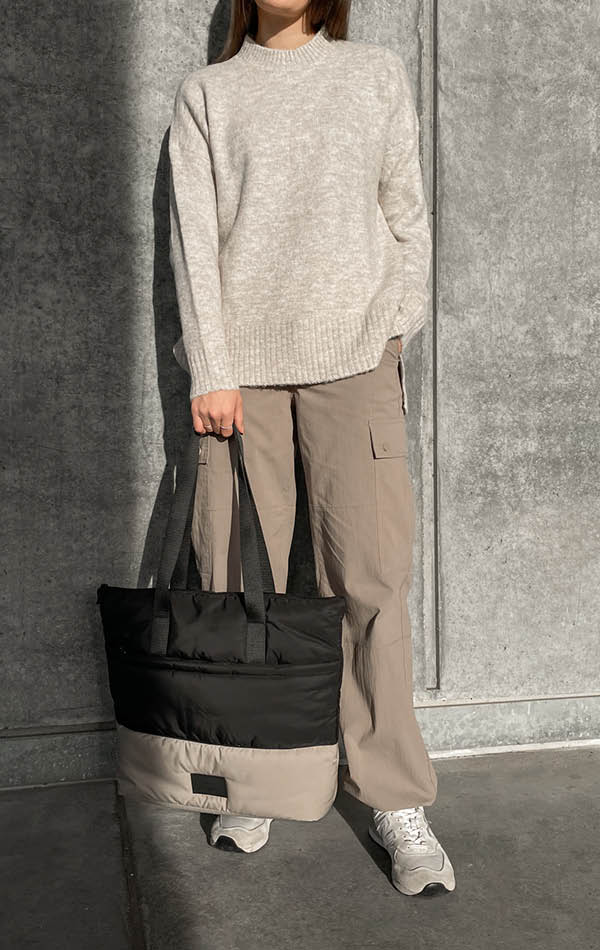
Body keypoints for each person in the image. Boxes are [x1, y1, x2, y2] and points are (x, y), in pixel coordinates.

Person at [168, 0, 455, 896]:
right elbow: (193, 243)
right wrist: (211, 368)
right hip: (239, 380)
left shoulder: (372, 75)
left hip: (356, 365)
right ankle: (255, 778)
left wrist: (393, 328)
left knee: (370, 581)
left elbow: (407, 214)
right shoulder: (208, 93)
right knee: (240, 581)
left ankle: (394, 797)